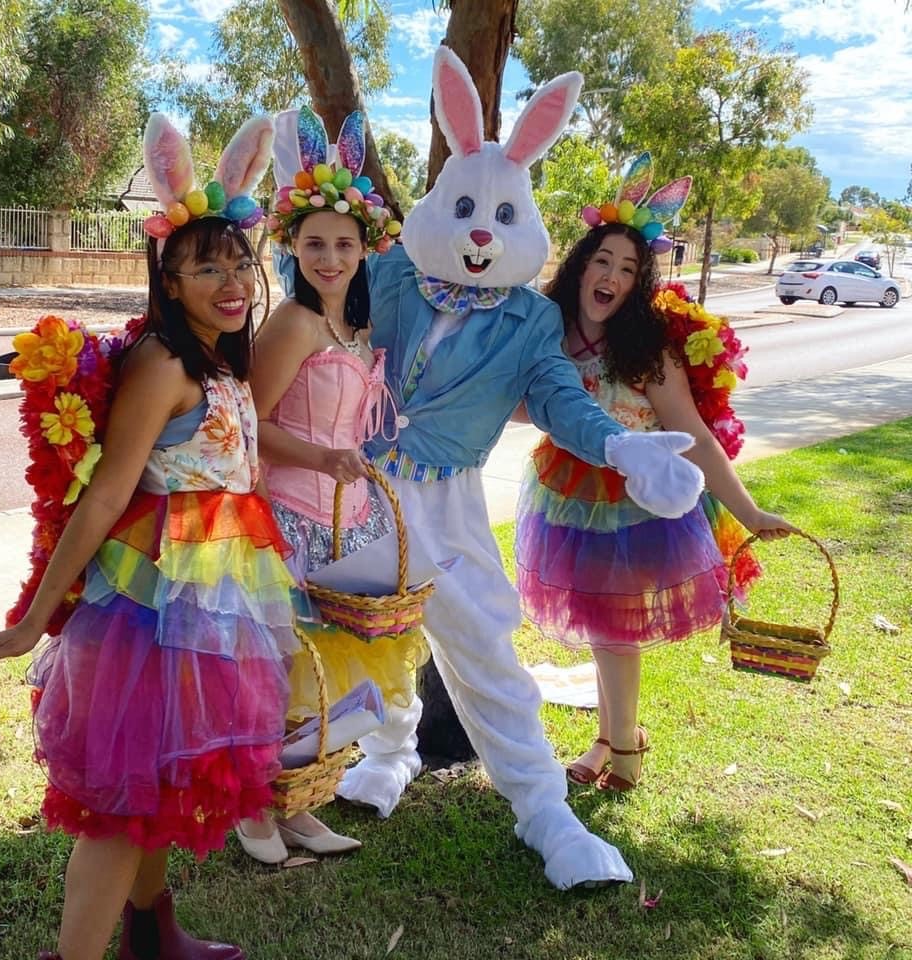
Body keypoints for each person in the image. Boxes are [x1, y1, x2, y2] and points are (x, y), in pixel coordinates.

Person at [269, 51, 705, 890]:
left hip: (449, 501)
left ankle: (547, 813)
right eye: (465, 207)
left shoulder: (532, 322)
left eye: (500, 215)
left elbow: (559, 400)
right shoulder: (388, 272)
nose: (479, 231)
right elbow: (317, 296)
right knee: (361, 630)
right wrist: (305, 192)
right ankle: (389, 753)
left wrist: (620, 446)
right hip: (355, 490)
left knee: (482, 650)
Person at [0, 114, 294, 960]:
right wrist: (34, 618)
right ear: (167, 280)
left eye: (237, 262)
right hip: (150, 607)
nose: (229, 280)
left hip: (212, 600)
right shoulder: (164, 364)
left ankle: (153, 931)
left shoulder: (219, 359)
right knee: (121, 802)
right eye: (203, 266)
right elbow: (106, 498)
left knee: (159, 779)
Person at [515, 177, 796, 793]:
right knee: (598, 627)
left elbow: (693, 434)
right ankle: (610, 739)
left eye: (626, 267)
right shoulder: (549, 337)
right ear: (581, 267)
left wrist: (748, 512)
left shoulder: (647, 350)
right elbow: (520, 405)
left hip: (634, 505)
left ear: (637, 283)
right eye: (601, 260)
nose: (609, 274)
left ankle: (622, 751)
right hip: (566, 495)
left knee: (615, 631)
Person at [236, 110, 426, 860]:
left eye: (343, 244)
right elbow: (245, 423)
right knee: (277, 668)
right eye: (315, 243)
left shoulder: (356, 326)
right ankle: (252, 807)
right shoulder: (293, 323)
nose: (329, 256)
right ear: (294, 246)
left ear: (365, 249)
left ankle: (300, 805)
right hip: (282, 515)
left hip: (340, 525)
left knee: (319, 675)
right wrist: (321, 461)